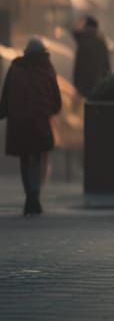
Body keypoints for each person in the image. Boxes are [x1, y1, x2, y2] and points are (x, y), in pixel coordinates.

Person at [0, 38, 62, 215]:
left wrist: (3, 112)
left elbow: (6, 96)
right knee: (37, 158)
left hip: (18, 123)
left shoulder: (15, 68)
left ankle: (30, 196)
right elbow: (56, 99)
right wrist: (51, 109)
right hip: (40, 122)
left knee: (25, 159)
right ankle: (34, 196)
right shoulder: (47, 69)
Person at [72, 15, 111, 100]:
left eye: (80, 23)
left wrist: (79, 87)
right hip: (97, 85)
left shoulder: (87, 39)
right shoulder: (98, 39)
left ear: (86, 25)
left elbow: (83, 66)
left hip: (88, 87)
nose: (77, 24)